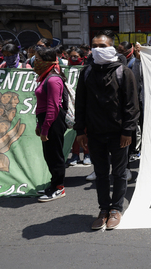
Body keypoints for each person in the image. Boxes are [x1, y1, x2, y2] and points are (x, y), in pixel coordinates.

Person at [74, 31, 139, 230]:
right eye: (95, 46)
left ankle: (116, 209)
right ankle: (103, 209)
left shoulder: (122, 72)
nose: (98, 49)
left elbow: (131, 105)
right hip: (94, 133)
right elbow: (80, 104)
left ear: (111, 47)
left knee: (119, 173)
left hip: (119, 133)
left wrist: (127, 131)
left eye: (102, 46)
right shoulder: (86, 72)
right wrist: (80, 131)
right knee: (101, 173)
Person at [34, 47, 68, 202]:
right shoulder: (46, 77)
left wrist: (45, 128)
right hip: (46, 120)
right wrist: (39, 125)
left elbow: (53, 107)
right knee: (49, 155)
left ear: (46, 61)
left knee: (55, 155)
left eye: (37, 59)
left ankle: (59, 187)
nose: (34, 62)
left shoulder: (53, 80)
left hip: (53, 121)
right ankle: (54, 184)